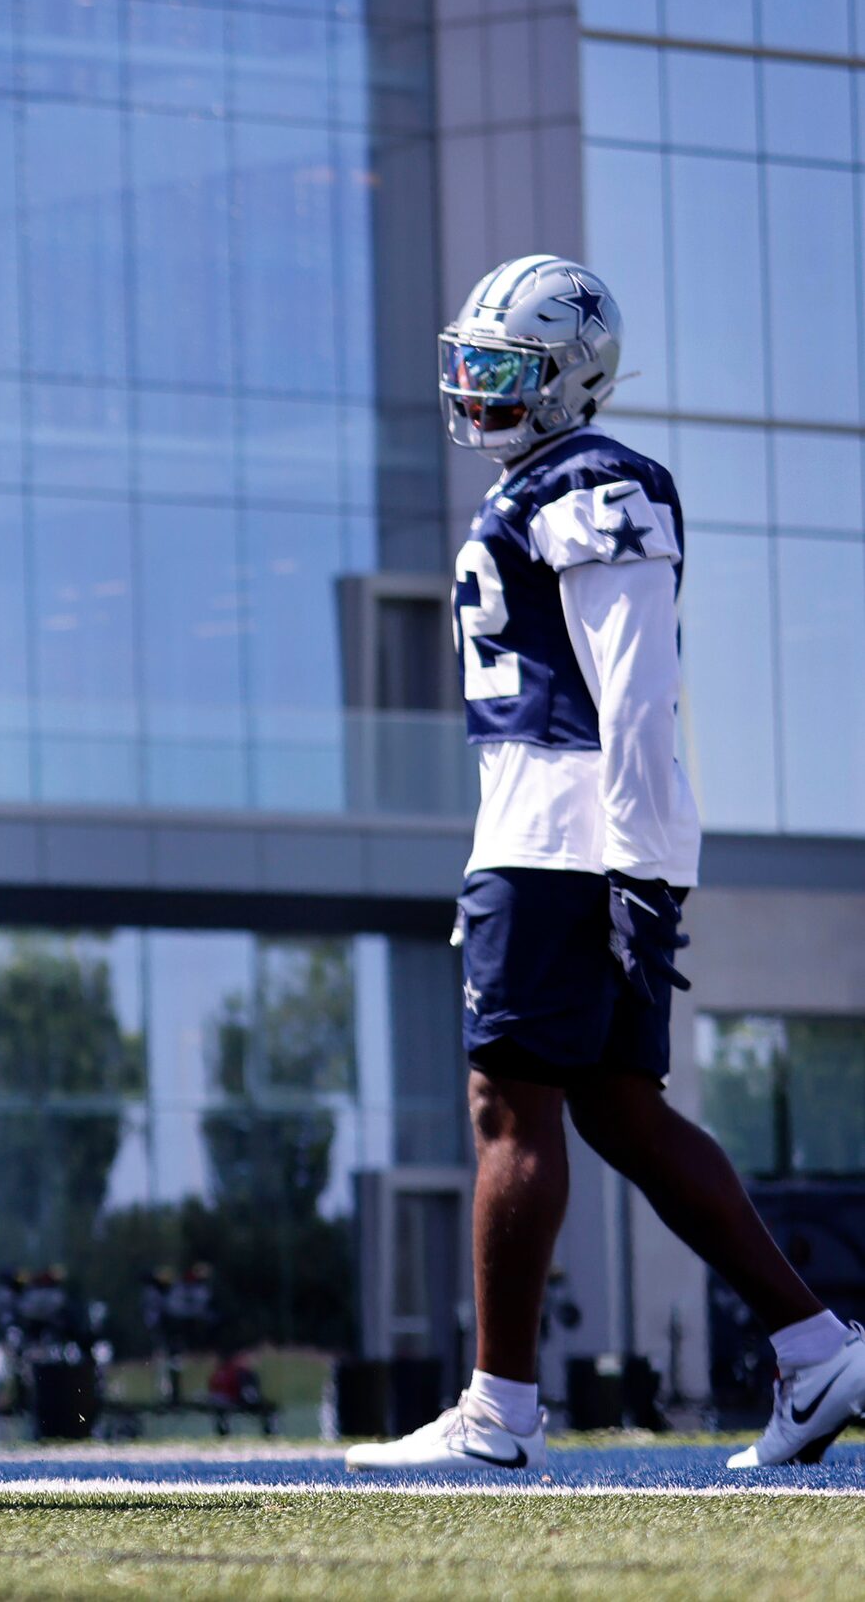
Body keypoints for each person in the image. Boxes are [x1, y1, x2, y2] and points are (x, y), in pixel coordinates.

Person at [346, 255, 864, 1474]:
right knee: (621, 1114)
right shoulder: (544, 482)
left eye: (504, 370)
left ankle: (496, 1412)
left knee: (507, 1108)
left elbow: (634, 693)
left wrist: (634, 868)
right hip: (561, 836)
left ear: (571, 379)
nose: (475, 392)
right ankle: (812, 1347)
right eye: (468, 366)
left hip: (563, 839)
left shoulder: (595, 483)